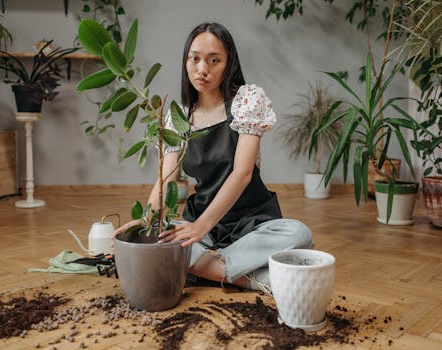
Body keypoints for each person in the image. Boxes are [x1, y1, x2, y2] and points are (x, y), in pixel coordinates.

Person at [114, 22, 314, 292]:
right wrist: (146, 221)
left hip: (252, 224)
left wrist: (199, 227)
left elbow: (242, 174)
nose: (202, 69)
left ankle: (201, 268)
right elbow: (166, 178)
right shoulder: (179, 117)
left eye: (213, 60)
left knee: (299, 234)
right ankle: (254, 278)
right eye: (194, 59)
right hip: (203, 226)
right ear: (186, 61)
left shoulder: (246, 102)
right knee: (158, 236)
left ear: (228, 64)